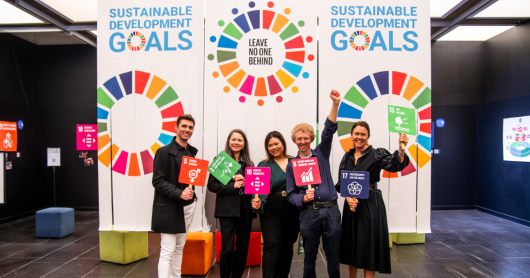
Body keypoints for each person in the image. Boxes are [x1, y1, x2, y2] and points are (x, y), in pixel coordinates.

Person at [335, 121, 409, 278]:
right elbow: (341, 183)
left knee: (369, 246)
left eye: (363, 134)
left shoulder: (376, 153)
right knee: (351, 244)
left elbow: (394, 165)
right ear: (352, 135)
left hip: (370, 204)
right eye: (357, 134)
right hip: (351, 204)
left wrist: (401, 148)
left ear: (368, 136)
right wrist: (348, 199)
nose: (359, 137)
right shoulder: (347, 156)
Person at [286, 90, 342, 278]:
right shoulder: (292, 165)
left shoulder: (322, 152)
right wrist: (302, 198)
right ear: (294, 141)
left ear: (311, 139)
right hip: (308, 214)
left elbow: (329, 129)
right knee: (309, 258)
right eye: (299, 139)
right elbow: (290, 194)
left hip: (331, 211)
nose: (303, 141)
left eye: (306, 138)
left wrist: (335, 104)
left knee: (334, 256)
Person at [151, 114, 198, 278]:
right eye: (184, 126)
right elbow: (157, 181)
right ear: (176, 128)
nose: (187, 130)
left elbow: (189, 179)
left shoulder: (191, 154)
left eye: (190, 127)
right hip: (169, 208)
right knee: (167, 250)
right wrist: (180, 193)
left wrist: (194, 196)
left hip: (188, 207)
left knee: (179, 248)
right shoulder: (163, 152)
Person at [207, 129, 255, 278]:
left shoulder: (249, 163)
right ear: (229, 141)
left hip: (245, 211)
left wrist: (250, 186)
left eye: (239, 140)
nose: (236, 142)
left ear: (244, 144)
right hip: (227, 211)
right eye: (233, 139)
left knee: (242, 248)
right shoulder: (220, 161)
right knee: (227, 249)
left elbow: (254, 187)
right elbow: (212, 186)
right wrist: (231, 186)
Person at [251, 131, 300, 278]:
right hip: (271, 210)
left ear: (283, 144)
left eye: (276, 143)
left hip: (292, 209)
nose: (274, 147)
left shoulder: (295, 162)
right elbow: (258, 191)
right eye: (270, 145)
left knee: (287, 246)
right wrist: (257, 200)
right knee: (272, 245)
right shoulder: (264, 165)